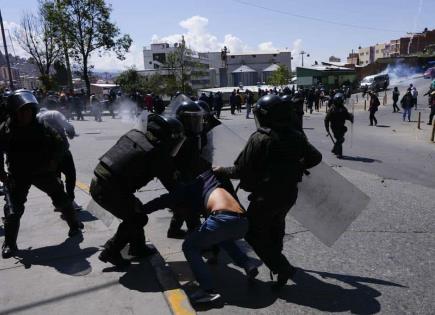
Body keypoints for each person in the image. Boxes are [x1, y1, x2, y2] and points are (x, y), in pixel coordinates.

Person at [214, 94, 322, 290]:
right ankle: (278, 259)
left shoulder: (261, 138)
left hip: (266, 196)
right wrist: (295, 166)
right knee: (276, 226)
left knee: (252, 232)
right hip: (289, 194)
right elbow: (315, 157)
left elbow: (241, 171)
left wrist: (221, 170)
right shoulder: (296, 135)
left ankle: (282, 267)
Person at [143, 169, 261, 304]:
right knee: (222, 237)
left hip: (223, 218)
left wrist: (142, 209)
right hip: (243, 222)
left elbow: (164, 200)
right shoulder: (212, 180)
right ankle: (247, 263)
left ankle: (207, 291)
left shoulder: (191, 187)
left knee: (189, 246)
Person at [89, 114, 186, 267]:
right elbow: (173, 185)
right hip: (109, 191)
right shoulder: (157, 153)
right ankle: (111, 251)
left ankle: (138, 248)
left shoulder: (134, 135)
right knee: (137, 219)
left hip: (100, 183)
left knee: (137, 211)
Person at [0, 90, 83, 258]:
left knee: (61, 198)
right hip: (18, 173)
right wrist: (1, 172)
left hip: (42, 171)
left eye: (28, 110)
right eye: (22, 111)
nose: (26, 114)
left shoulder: (41, 126)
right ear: (14, 113)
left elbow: (61, 144)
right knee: (13, 209)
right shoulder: (6, 129)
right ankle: (9, 243)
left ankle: (74, 225)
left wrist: (54, 161)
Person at [37, 102, 81, 211]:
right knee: (70, 176)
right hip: (62, 151)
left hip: (47, 155)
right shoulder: (55, 113)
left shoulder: (35, 118)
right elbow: (68, 126)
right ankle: (70, 200)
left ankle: (59, 201)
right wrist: (71, 134)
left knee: (55, 178)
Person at [324, 93, 354, 158]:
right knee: (340, 139)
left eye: (340, 100)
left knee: (340, 139)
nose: (339, 102)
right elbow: (326, 119)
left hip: (341, 127)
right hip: (334, 127)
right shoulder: (332, 109)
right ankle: (339, 153)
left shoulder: (343, 108)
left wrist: (351, 117)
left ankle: (334, 149)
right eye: (338, 100)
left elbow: (346, 116)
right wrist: (327, 129)